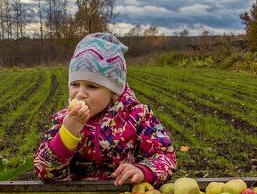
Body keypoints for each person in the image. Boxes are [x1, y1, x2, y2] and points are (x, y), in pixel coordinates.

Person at [34, 32, 177, 186]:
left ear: (114, 91)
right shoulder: (64, 120)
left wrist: (143, 171)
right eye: (75, 84)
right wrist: (67, 134)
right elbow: (44, 172)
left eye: (92, 86)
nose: (80, 93)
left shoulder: (138, 117)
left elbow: (166, 156)